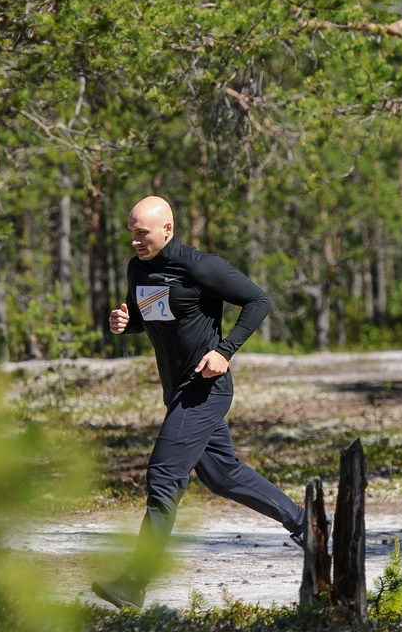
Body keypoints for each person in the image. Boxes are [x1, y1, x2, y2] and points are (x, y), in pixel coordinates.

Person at [91, 196, 305, 610]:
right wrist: (128, 322)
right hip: (178, 392)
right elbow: (160, 313)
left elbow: (259, 301)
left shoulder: (197, 264)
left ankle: (134, 583)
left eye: (143, 233)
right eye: (131, 232)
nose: (135, 241)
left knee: (164, 475)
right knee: (223, 475)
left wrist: (225, 351)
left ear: (167, 230)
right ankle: (307, 525)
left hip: (204, 390)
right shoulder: (139, 267)